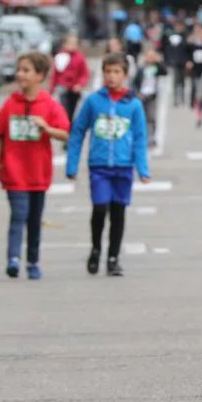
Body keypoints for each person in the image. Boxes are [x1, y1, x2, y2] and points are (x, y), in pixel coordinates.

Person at [66, 53, 151, 277]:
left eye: (116, 72)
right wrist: (72, 165)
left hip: (123, 167)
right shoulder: (93, 102)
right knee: (100, 207)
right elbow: (77, 131)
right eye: (108, 72)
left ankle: (113, 258)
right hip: (99, 166)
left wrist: (143, 169)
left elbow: (140, 138)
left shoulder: (133, 104)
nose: (111, 77)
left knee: (118, 212)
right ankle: (96, 249)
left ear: (125, 75)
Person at [0, 51, 71, 280]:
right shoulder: (10, 104)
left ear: (40, 75)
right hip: (14, 172)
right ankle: (13, 258)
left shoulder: (49, 104)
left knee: (35, 220)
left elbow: (65, 133)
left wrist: (47, 128)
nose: (20, 75)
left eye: (26, 70)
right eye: (19, 70)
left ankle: (33, 261)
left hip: (38, 173)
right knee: (19, 214)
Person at [51, 34, 89, 122]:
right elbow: (55, 74)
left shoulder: (80, 58)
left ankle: (70, 125)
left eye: (74, 43)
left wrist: (80, 84)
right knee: (64, 108)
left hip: (75, 88)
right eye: (70, 43)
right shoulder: (60, 56)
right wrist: (52, 90)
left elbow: (84, 73)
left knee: (73, 110)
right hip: (63, 87)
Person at [134, 48, 166, 146]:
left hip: (152, 96)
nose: (150, 58)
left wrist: (158, 62)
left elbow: (164, 72)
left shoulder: (156, 68)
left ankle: (152, 137)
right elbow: (135, 82)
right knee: (142, 117)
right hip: (142, 95)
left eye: (152, 56)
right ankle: (142, 137)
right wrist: (137, 93)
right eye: (149, 56)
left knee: (151, 117)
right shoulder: (141, 68)